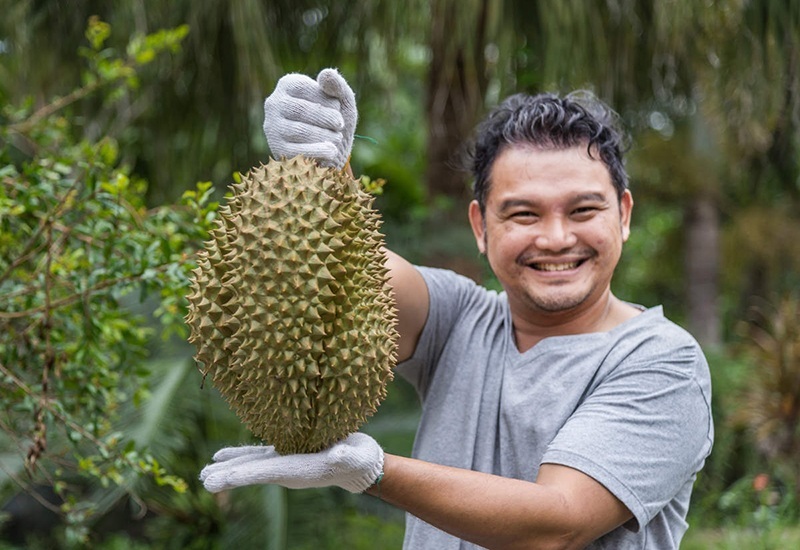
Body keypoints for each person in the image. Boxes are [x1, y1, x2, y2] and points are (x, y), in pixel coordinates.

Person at [200, 68, 714, 549]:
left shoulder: (663, 362)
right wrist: (324, 165)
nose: (556, 238)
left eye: (583, 210)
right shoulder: (461, 318)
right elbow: (342, 269)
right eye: (523, 213)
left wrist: (373, 471)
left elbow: (558, 522)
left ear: (623, 214)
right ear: (480, 227)